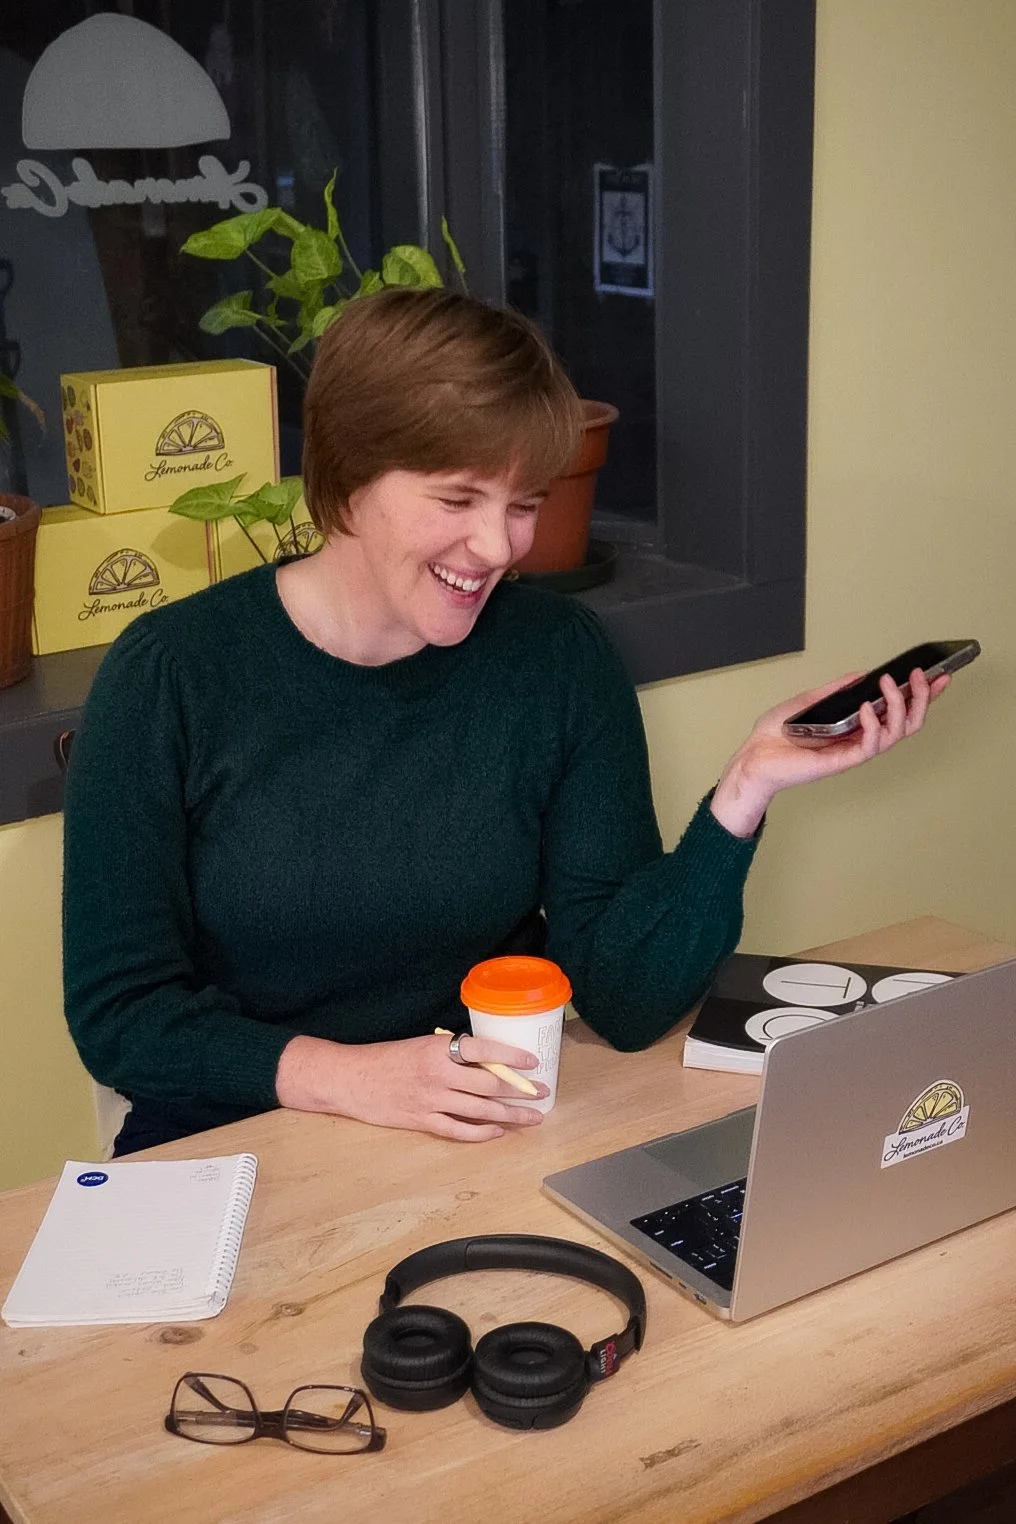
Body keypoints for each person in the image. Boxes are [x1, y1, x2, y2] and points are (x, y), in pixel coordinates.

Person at [62, 289, 946, 1155]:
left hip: (484, 1125)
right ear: (345, 479)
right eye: (457, 501)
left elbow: (625, 1002)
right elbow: (123, 1013)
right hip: (233, 1141)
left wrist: (745, 790)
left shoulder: (557, 659)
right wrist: (350, 1075)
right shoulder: (173, 676)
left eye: (524, 504)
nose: (500, 547)